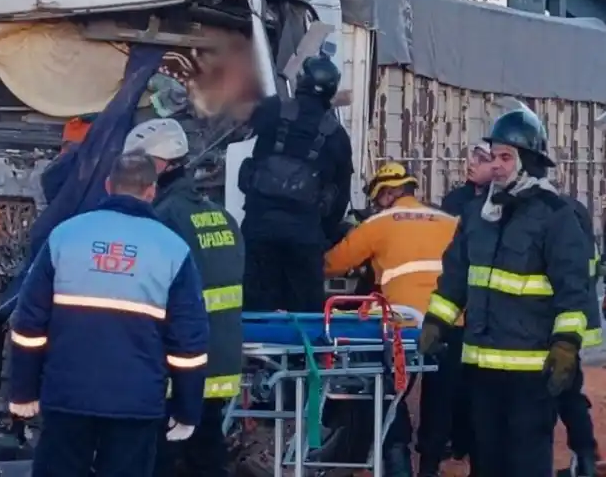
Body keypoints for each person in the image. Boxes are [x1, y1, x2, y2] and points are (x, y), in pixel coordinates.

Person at [7, 152, 210, 477]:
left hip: (66, 395)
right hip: (136, 402)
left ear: (107, 185)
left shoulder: (65, 236)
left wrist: (23, 390)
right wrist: (187, 410)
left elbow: (29, 323)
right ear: (151, 191)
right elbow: (188, 343)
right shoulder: (172, 249)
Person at [421, 106, 593, 477]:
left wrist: (565, 344)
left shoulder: (555, 216)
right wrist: (436, 320)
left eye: (505, 157)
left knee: (525, 465)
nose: (495, 165)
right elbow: (455, 276)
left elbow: (573, 289)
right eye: (492, 155)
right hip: (480, 369)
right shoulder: (474, 214)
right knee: (485, 463)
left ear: (528, 161)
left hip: (530, 373)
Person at [123, 118, 245, 477]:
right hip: (217, 365)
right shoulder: (221, 217)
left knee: (162, 462)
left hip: (176, 369)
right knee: (205, 457)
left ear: (159, 164)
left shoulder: (161, 219)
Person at [322, 162, 458, 476]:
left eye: (376, 198)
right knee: (440, 396)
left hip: (404, 324)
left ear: (389, 193)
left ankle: (396, 459)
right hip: (452, 319)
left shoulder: (380, 223)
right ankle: (429, 466)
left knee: (387, 390)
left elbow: (333, 264)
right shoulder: (449, 221)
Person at [239, 54, 353, 312]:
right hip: (305, 236)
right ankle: (303, 354)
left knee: (256, 311)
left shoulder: (271, 110)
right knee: (306, 316)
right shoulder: (336, 135)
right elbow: (340, 197)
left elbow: (236, 133)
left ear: (301, 80)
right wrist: (321, 232)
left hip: (259, 230)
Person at [437, 141, 494, 470]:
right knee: (453, 376)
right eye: (474, 157)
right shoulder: (456, 201)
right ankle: (451, 438)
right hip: (460, 303)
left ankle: (472, 442)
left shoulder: (502, 202)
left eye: (482, 159)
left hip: (489, 308)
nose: (472, 163)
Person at [559, 195, 602, 477]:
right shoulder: (574, 210)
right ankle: (585, 458)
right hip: (577, 320)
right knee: (568, 393)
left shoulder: (550, 215)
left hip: (548, 324)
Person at [440, 142, 493, 217]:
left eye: (483, 159)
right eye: (474, 155)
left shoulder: (500, 206)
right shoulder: (453, 199)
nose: (472, 162)